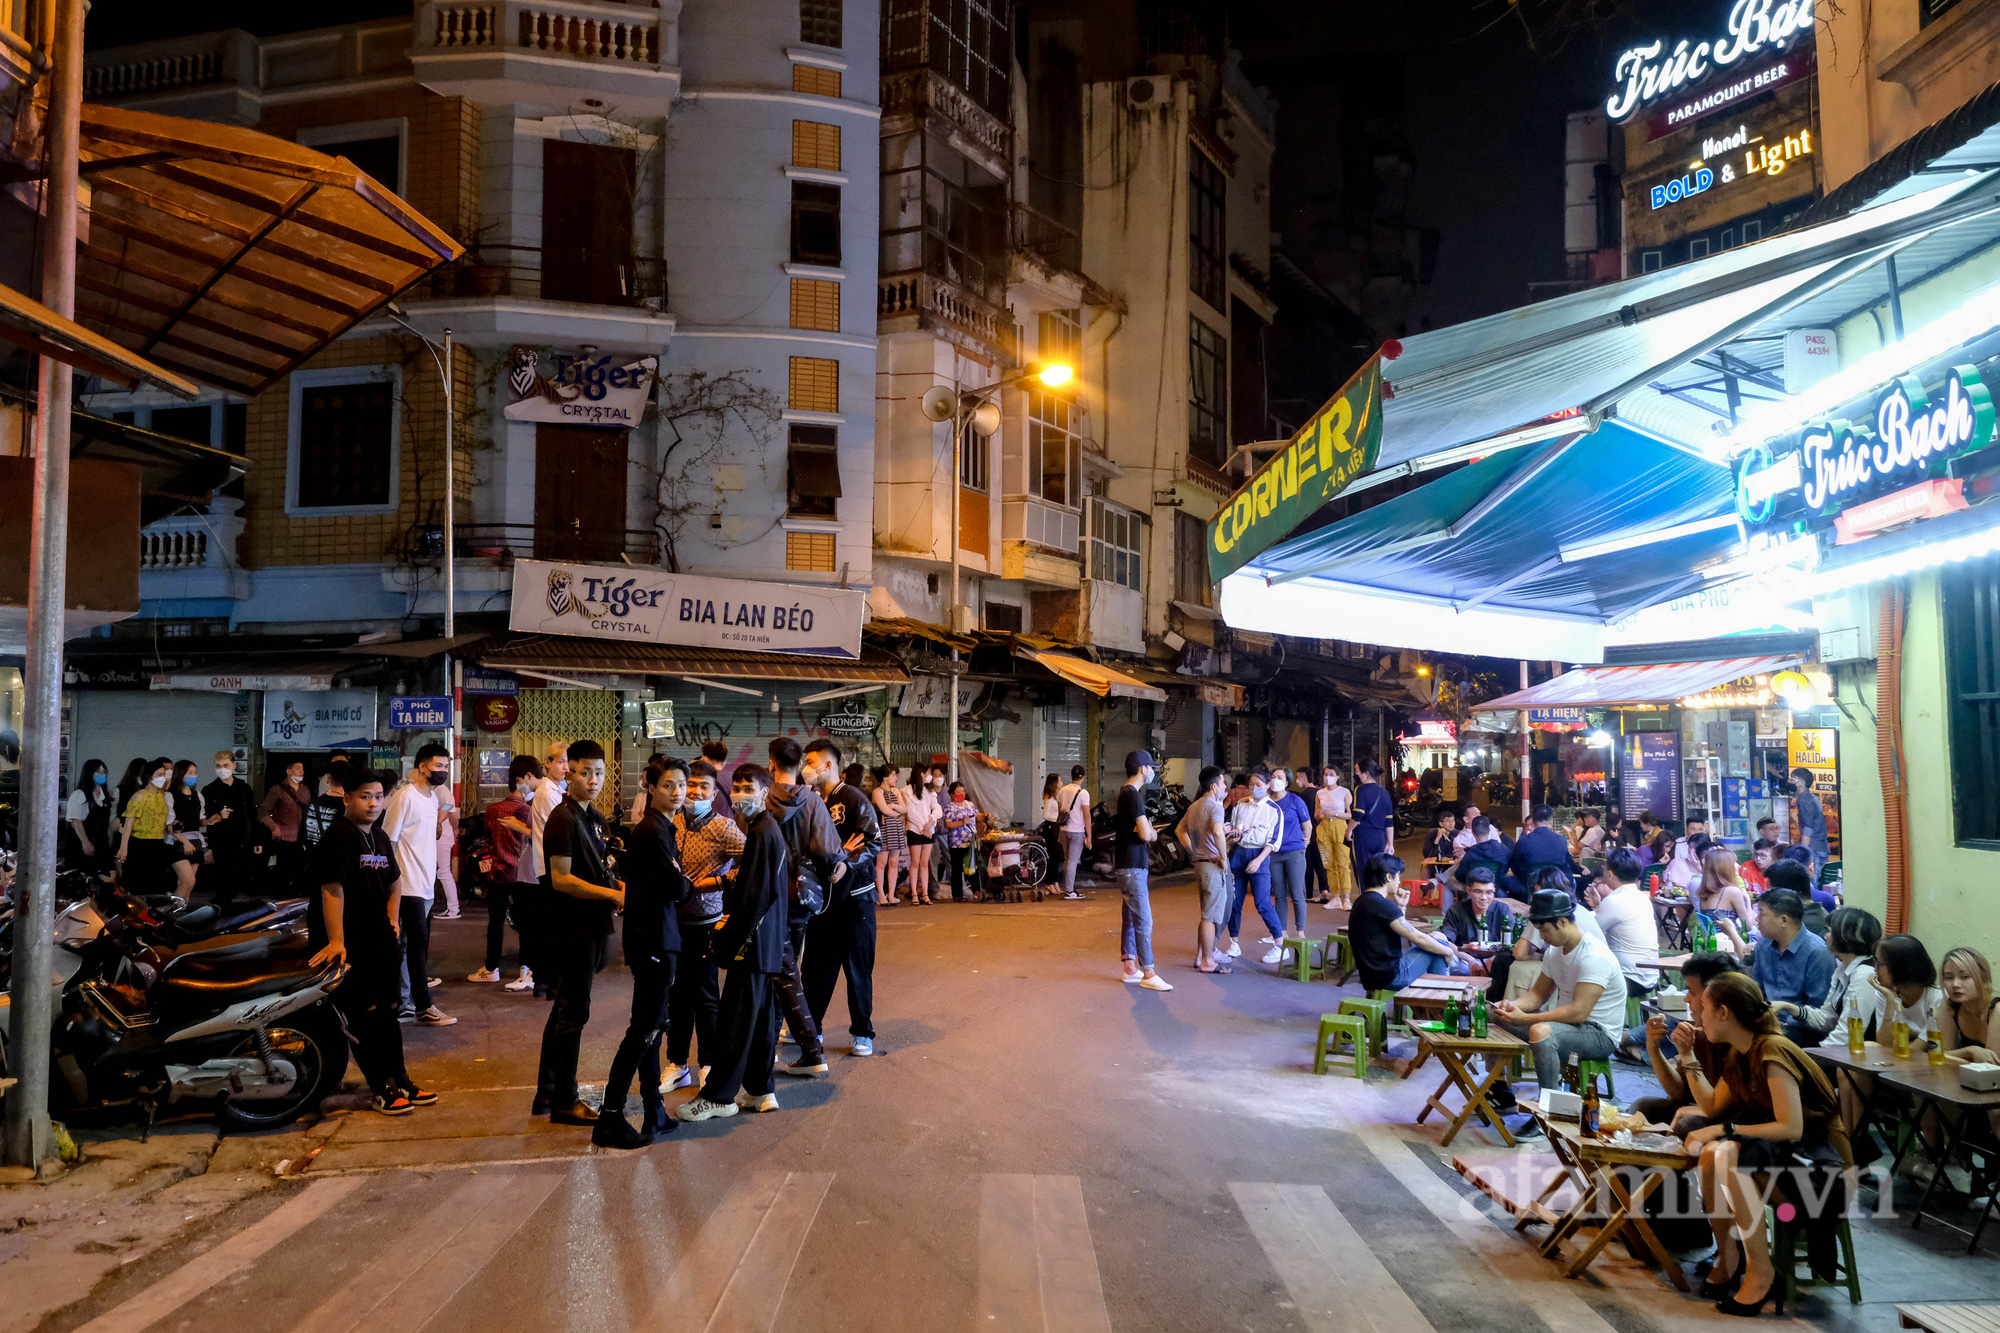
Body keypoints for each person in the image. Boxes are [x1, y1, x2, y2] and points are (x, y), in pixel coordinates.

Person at [1679, 971, 1850, 1316]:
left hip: (1821, 1172)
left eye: (1704, 1006)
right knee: (1713, 1154)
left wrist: (1724, 1130)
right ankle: (1727, 1255)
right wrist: (1686, 1057)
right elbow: (1712, 1106)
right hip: (1786, 1159)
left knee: (1727, 1150)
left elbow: (1791, 1127)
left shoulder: (1773, 1050)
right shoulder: (1740, 1052)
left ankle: (1761, 1272)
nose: (1694, 1009)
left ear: (1724, 1012)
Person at [307, 768, 432, 1117]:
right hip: (350, 944)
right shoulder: (338, 837)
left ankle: (401, 1078)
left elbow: (395, 882)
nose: (374, 803)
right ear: (346, 798)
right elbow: (332, 890)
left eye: (379, 796)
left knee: (390, 1011)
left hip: (380, 939)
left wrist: (392, 921)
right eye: (365, 796)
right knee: (363, 1015)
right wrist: (336, 941)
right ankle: (381, 1088)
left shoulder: (377, 837)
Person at [677, 764, 790, 1121]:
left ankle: (719, 1096)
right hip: (766, 942)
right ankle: (761, 1089)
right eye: (737, 787)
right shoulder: (763, 828)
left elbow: (754, 897)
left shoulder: (761, 831)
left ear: (764, 790)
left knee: (735, 1021)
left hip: (753, 943)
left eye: (748, 787)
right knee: (757, 1019)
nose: (741, 794)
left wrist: (728, 940)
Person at [596, 757, 688, 1148]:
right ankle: (611, 1117)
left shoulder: (662, 828)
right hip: (653, 941)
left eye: (682, 784)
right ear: (651, 788)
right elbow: (677, 887)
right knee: (643, 1031)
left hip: (656, 939)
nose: (678, 791)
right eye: (669, 784)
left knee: (652, 1028)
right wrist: (685, 883)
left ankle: (654, 1111)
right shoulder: (652, 831)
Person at [535, 739, 623, 1126]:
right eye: (586, 772)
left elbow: (602, 865)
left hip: (591, 926)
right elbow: (561, 879)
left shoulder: (594, 819)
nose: (593, 780)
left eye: (600, 773)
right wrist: (614, 894)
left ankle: (549, 1093)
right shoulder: (563, 818)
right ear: (568, 771)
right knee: (574, 1012)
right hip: (572, 928)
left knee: (566, 1010)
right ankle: (565, 1101)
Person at [1490, 887, 1627, 1129]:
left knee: (1540, 1031)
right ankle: (1499, 1090)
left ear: (1562, 922)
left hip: (1598, 1033)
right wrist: (1512, 1006)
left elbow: (1578, 1013)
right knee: (1495, 1014)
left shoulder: (1593, 956)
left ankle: (1547, 1116)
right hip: (1569, 1027)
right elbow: (1536, 995)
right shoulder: (1555, 951)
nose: (1541, 936)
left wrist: (1526, 1020)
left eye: (1544, 929)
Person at [664, 758, 743, 1088]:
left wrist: (721, 881)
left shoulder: (723, 827)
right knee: (677, 996)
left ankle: (708, 1063)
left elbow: (755, 859)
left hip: (706, 924)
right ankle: (677, 1063)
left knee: (707, 996)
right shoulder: (671, 822)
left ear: (714, 793)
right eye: (690, 785)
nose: (695, 792)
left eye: (703, 787)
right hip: (673, 923)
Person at [801, 738, 883, 1056]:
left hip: (856, 899)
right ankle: (811, 1029)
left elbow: (872, 840)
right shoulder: (811, 800)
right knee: (816, 969)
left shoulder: (852, 797)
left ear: (827, 765)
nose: (805, 769)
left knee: (857, 969)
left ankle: (862, 1033)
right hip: (823, 900)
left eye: (810, 762)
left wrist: (846, 864)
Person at [762, 737, 833, 1075]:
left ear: (771, 764)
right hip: (802, 897)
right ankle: (772, 1047)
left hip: (769, 897)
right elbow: (828, 852)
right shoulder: (813, 803)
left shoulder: (761, 801)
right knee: (782, 970)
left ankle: (812, 1050)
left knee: (783, 973)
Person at [1631, 951, 1744, 1130]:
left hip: (1736, 1125)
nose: (1686, 999)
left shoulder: (1742, 1045)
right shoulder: (1703, 1033)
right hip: (1709, 1110)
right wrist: (1653, 1049)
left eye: (1692, 992)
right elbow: (1678, 1093)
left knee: (1689, 1123)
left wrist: (1687, 1055)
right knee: (1644, 1107)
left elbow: (1717, 1110)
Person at [382, 746, 454, 1027]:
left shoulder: (433, 798)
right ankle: (422, 1005)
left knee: (412, 945)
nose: (443, 771)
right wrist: (393, 882)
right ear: (422, 766)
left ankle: (403, 1001)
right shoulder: (405, 796)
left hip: (425, 883)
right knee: (416, 944)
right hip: (407, 883)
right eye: (438, 765)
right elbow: (389, 840)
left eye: (446, 766)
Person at [469, 755, 541, 984]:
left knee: (495, 922)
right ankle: (525, 969)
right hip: (523, 874)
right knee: (528, 923)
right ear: (523, 780)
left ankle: (492, 968)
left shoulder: (492, 810)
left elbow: (489, 838)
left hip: (499, 873)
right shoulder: (529, 811)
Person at [1770, 905, 1881, 1048]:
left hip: (1859, 1054)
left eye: (1829, 932)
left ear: (1845, 937)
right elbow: (1826, 1020)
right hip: (1843, 1048)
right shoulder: (1843, 969)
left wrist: (1809, 1056)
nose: (1825, 936)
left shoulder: (1864, 974)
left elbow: (1847, 1035)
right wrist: (1788, 1007)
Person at [1349, 853, 1456, 994]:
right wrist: (1447, 950)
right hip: (1390, 976)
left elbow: (1398, 929)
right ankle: (1443, 999)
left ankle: (1435, 999)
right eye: (1398, 875)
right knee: (1440, 946)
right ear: (1388, 877)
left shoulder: (1364, 900)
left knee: (1437, 937)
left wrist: (1401, 907)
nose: (1399, 881)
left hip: (1371, 975)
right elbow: (1418, 938)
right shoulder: (1382, 905)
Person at [1746, 884, 1834, 1045]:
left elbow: (1819, 1009)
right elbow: (1758, 990)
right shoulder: (1763, 945)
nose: (1757, 919)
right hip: (1768, 1022)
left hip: (1802, 1028)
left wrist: (1786, 1024)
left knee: (1769, 1042)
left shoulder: (1817, 951)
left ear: (1783, 920)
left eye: (1761, 913)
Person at [516, 741, 570, 996]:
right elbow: (557, 832)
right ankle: (547, 983)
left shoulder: (556, 790)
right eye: (560, 761)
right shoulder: (548, 793)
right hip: (548, 868)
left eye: (569, 762)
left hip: (547, 866)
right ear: (547, 763)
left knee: (549, 927)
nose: (565, 767)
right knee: (551, 929)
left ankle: (544, 982)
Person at [1114, 750, 1171, 991]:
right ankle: (1148, 971)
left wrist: (1147, 829)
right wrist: (1154, 832)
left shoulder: (1125, 793)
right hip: (1133, 866)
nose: (1153, 773)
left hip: (1126, 864)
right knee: (1143, 920)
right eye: (1151, 768)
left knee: (1130, 916)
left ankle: (1129, 967)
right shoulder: (1134, 795)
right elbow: (1147, 833)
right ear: (1143, 769)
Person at [1225, 768, 1284, 965]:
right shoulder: (1241, 804)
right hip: (1239, 853)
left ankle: (1279, 945)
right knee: (1234, 901)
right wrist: (1232, 837)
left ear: (1267, 786)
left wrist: (1258, 860)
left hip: (1260, 854)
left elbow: (1273, 841)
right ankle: (1233, 942)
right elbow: (1234, 829)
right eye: (1251, 784)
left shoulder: (1274, 810)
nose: (1254, 788)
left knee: (1262, 902)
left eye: (1258, 785)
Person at [1176, 765, 1232, 974]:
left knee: (1206, 914)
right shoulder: (1215, 807)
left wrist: (1192, 850)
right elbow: (1218, 832)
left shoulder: (1194, 807)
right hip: (1212, 866)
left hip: (1199, 865)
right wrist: (1224, 857)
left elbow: (1179, 830)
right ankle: (1208, 961)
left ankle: (1202, 957)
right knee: (1210, 917)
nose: (1224, 786)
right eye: (1223, 782)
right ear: (1213, 785)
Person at [1584, 847, 1659, 996]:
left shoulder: (1615, 900)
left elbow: (1589, 933)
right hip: (1650, 976)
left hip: (1629, 978)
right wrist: (1599, 907)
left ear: (1610, 874)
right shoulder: (1641, 897)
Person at [1868, 933, 1943, 1051]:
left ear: (1901, 967)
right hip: (1899, 1057)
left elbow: (1916, 1051)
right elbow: (1883, 1045)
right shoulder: (1887, 994)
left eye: (1879, 963)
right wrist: (1892, 1002)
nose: (1875, 969)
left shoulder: (1938, 999)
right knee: (1863, 1050)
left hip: (1927, 1060)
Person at [200, 750, 256, 900]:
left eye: (225, 765)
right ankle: (221, 903)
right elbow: (204, 816)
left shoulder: (244, 788)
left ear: (233, 766)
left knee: (240, 874)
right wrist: (218, 815)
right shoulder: (209, 790)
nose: (222, 769)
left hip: (242, 838)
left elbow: (251, 814)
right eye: (218, 766)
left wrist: (255, 839)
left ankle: (233, 905)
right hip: (221, 839)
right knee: (223, 874)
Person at [1267, 766, 1313, 945]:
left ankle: (1300, 931)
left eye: (1279, 777)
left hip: (1294, 852)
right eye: (1273, 776)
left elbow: (1307, 826)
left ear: (1287, 782)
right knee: (1279, 894)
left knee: (1297, 893)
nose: (1275, 780)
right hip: (1273, 853)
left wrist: (1304, 844)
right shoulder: (1267, 802)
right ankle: (1281, 931)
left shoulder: (1295, 800)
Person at [1437, 870, 1509, 978]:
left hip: (1496, 960)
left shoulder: (1503, 910)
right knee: (1440, 956)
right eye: (1478, 892)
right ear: (1469, 890)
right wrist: (1471, 960)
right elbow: (1447, 941)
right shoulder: (1456, 910)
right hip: (1464, 959)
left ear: (1494, 890)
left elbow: (1512, 944)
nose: (1484, 897)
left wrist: (1493, 960)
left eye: (1489, 892)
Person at [1504, 803, 1582, 901]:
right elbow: (1566, 863)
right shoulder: (1561, 840)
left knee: (1503, 881)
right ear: (1551, 820)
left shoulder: (1524, 840)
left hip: (1529, 888)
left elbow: (1515, 865)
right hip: (1557, 888)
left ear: (1533, 821)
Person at [257, 758, 312, 895]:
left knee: (300, 869)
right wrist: (274, 827)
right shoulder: (277, 790)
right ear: (289, 771)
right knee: (282, 870)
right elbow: (263, 812)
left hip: (301, 837)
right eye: (298, 768)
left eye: (303, 768)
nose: (301, 771)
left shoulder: (305, 790)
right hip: (283, 836)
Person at [1941, 947, 2000, 1060]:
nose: (1955, 984)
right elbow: (1940, 1053)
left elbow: (1991, 1065)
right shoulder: (1951, 1005)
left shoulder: (1997, 1010)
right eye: (1948, 977)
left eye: (1964, 977)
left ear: (1985, 979)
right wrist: (1970, 1051)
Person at [1697, 846, 1758, 954]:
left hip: (1715, 943)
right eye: (1734, 862)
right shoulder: (1732, 891)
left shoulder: (1703, 892)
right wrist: (1747, 900)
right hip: (1733, 944)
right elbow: (1747, 927)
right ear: (1724, 866)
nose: (1738, 866)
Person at [64, 758, 114, 876]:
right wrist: (85, 843)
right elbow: (76, 821)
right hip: (82, 843)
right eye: (98, 771)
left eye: (104, 771)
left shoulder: (104, 795)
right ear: (90, 773)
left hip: (101, 843)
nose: (102, 774)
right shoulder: (80, 794)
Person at [1313, 766, 1353, 908]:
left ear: (1337, 777)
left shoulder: (1344, 792)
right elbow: (1316, 815)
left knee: (1343, 862)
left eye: (1331, 774)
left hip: (1339, 827)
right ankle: (1335, 896)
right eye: (1325, 774)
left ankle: (1346, 898)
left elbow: (1350, 814)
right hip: (1324, 828)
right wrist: (1320, 814)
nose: (1328, 777)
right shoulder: (1320, 793)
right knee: (1329, 864)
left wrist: (1335, 814)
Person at [900, 762, 939, 906]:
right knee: (915, 862)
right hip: (915, 829)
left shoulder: (930, 791)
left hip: (929, 829)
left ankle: (925, 893)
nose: (929, 776)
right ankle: (914, 893)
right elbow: (910, 812)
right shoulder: (907, 790)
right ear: (921, 774)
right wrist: (923, 828)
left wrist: (931, 822)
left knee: (924, 863)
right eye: (928, 773)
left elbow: (936, 808)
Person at [1348, 762, 1393, 887]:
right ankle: (1377, 900)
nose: (1355, 774)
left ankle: (1366, 901)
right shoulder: (1384, 792)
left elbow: (1358, 815)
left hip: (1363, 836)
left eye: (1357, 771)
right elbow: (1389, 821)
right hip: (1379, 837)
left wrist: (1348, 830)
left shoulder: (1360, 790)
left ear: (1366, 773)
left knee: (1363, 872)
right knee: (1376, 872)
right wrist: (1390, 843)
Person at [1054, 764, 1091, 899]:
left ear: (1071, 776)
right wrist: (1089, 835)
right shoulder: (1084, 793)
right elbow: (1086, 815)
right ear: (1084, 777)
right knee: (1072, 861)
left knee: (1068, 860)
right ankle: (1069, 891)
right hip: (1077, 831)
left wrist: (1059, 832)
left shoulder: (1062, 791)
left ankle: (1069, 888)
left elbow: (1060, 813)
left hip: (1064, 830)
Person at [872, 764, 908, 906]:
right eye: (893, 775)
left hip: (896, 828)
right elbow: (884, 810)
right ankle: (880, 894)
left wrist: (893, 807)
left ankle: (891, 895)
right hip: (884, 828)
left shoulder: (896, 791)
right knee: (881, 863)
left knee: (894, 863)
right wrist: (895, 810)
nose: (896, 778)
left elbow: (904, 809)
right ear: (885, 777)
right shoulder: (877, 791)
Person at [941, 780, 980, 901]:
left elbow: (977, 815)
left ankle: (977, 891)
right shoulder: (949, 808)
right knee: (957, 868)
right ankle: (957, 895)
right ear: (952, 794)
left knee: (973, 866)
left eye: (963, 791)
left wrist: (985, 815)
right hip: (957, 843)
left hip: (970, 840)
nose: (962, 794)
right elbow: (949, 824)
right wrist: (961, 822)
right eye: (958, 792)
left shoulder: (969, 804)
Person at [302, 758, 348, 855]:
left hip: (313, 862)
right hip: (337, 863)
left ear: (327, 778)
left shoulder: (312, 804)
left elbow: (303, 836)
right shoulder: (348, 808)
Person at [1790, 766, 1830, 875]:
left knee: (1810, 882)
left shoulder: (1805, 800)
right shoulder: (1809, 797)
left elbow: (1808, 828)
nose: (1789, 781)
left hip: (1814, 850)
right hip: (1819, 848)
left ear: (1801, 782)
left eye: (1792, 779)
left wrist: (1803, 852)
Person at [433, 777, 461, 920]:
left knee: (443, 872)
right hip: (439, 837)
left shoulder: (442, 791)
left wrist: (455, 830)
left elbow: (451, 812)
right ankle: (452, 908)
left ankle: (453, 909)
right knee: (441, 871)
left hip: (442, 837)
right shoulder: (435, 791)